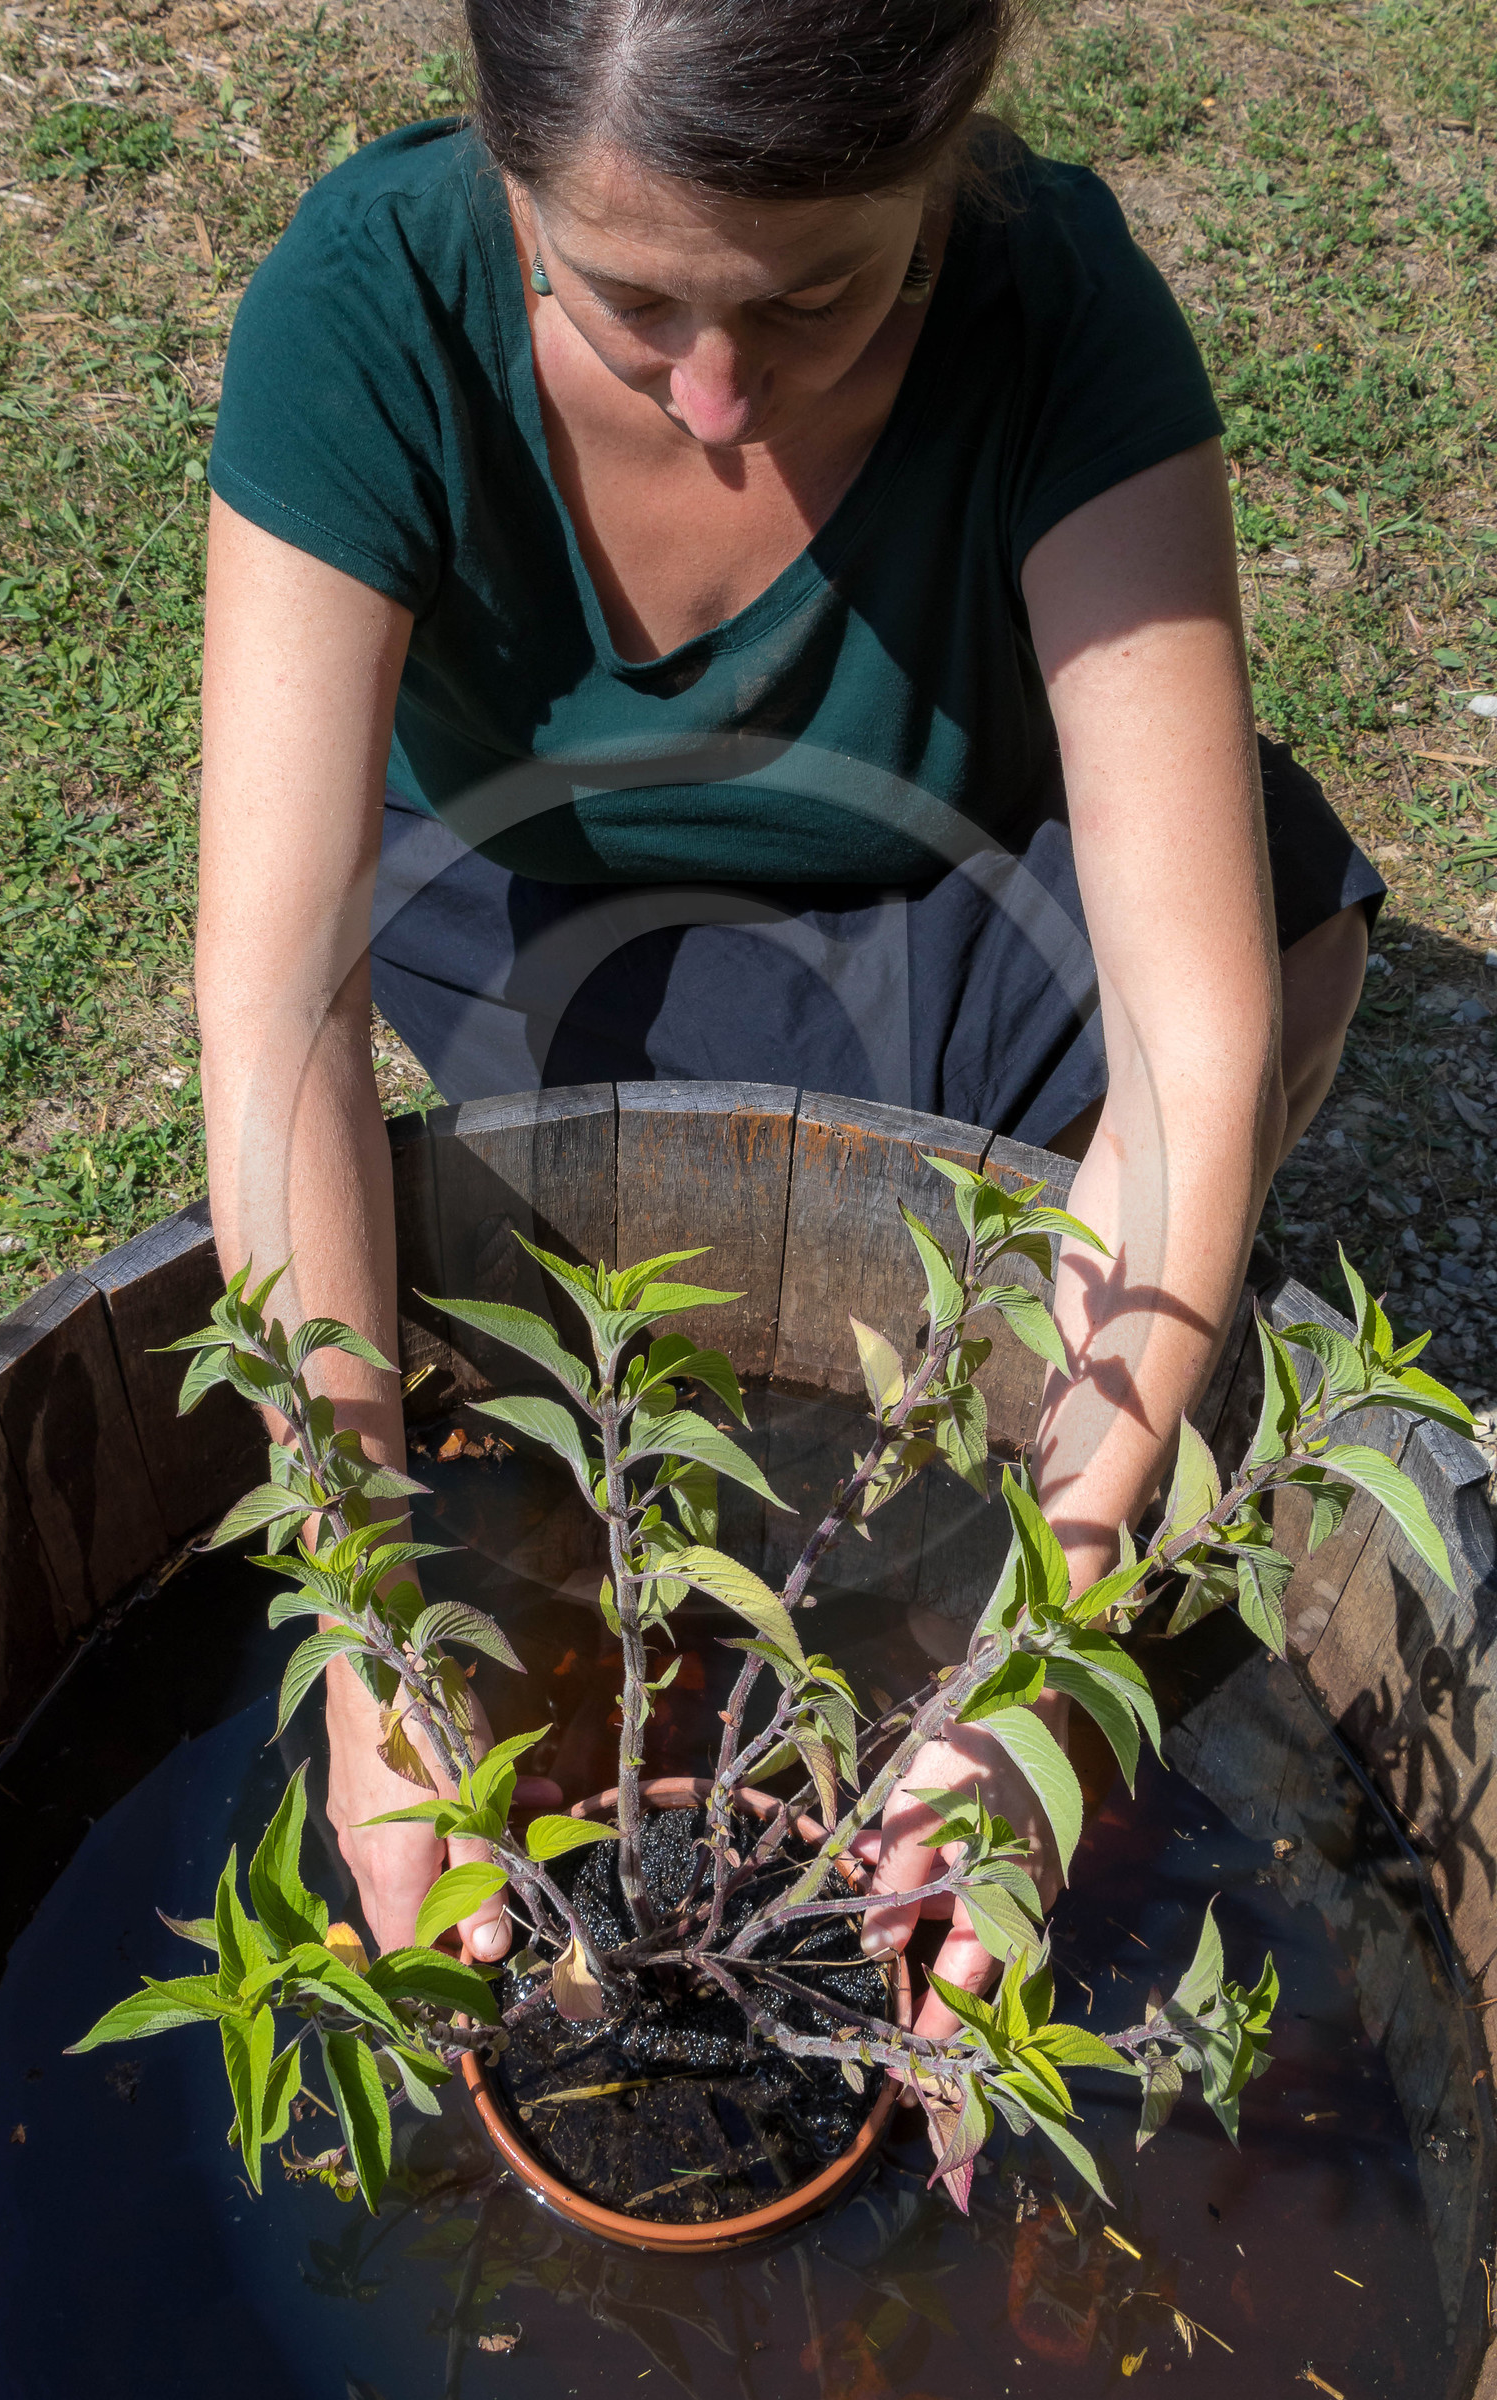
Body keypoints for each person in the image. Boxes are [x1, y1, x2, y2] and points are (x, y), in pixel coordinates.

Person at [196, 0, 1382, 2035]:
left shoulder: (1054, 310)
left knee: (1270, 928)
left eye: (819, 295)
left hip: (955, 894)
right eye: (627, 296)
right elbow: (272, 998)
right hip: (539, 913)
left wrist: (1042, 1635)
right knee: (701, 1238)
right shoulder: (369, 300)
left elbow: (1190, 1049)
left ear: (948, 162)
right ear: (505, 177)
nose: (721, 394)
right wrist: (363, 1627)